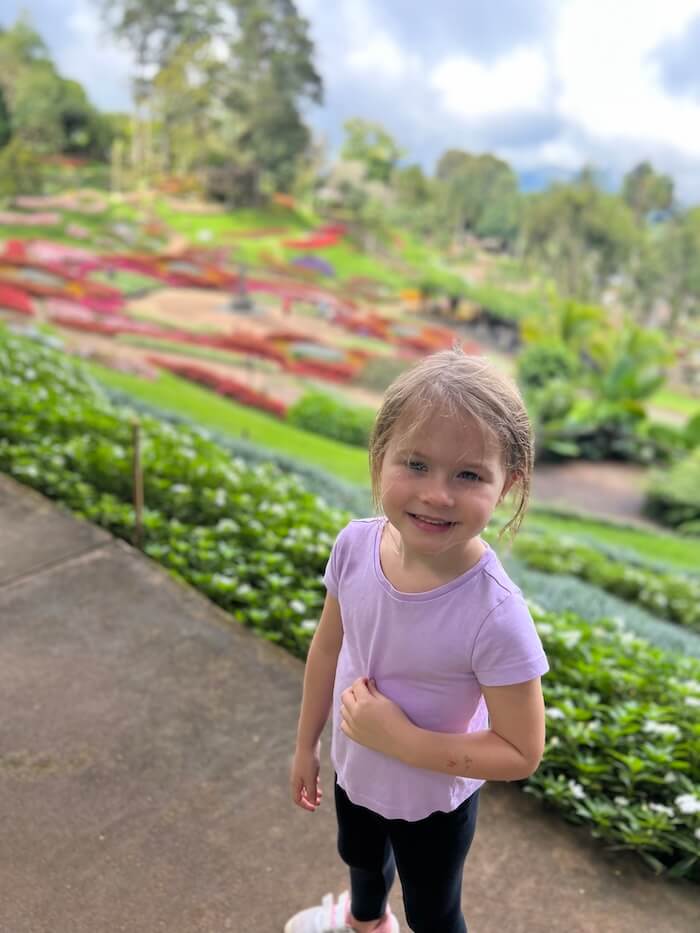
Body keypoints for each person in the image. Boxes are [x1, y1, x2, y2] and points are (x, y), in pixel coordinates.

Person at [285, 348, 549, 933]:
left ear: (510, 482)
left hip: (435, 803)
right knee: (361, 863)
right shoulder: (354, 548)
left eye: (469, 474)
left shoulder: (495, 615)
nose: (437, 494)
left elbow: (522, 751)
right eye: (416, 464)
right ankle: (366, 925)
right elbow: (328, 650)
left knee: (433, 910)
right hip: (356, 769)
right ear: (380, 459)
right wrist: (306, 744)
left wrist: (404, 742)